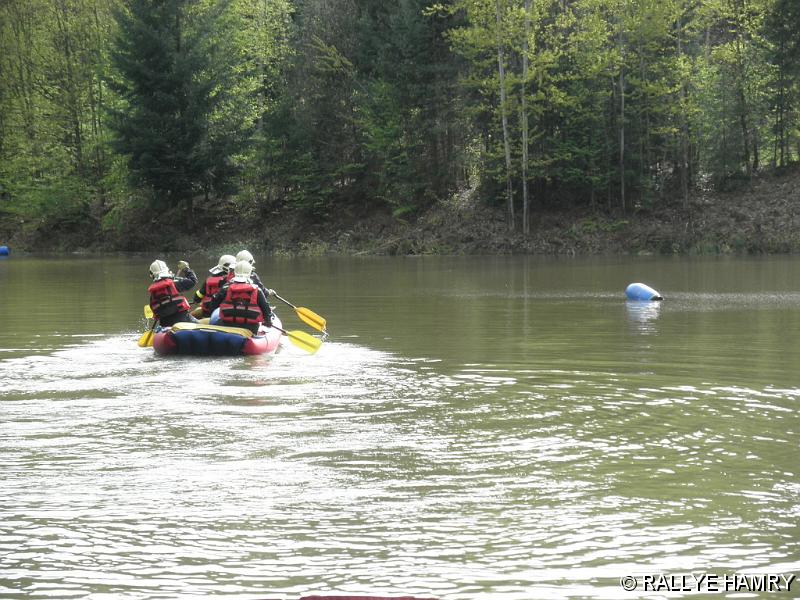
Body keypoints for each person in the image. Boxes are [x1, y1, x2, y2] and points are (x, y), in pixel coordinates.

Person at [207, 260, 273, 334]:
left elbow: (213, 304)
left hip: (227, 326)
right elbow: (266, 310)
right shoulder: (257, 290)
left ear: (235, 272)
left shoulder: (225, 288)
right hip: (250, 328)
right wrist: (268, 322)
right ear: (249, 273)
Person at [147, 259, 198, 327]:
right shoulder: (175, 283)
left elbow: (155, 311)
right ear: (166, 271)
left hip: (165, 325)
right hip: (184, 321)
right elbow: (193, 281)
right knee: (201, 324)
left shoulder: (153, 293)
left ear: (152, 275)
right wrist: (186, 269)